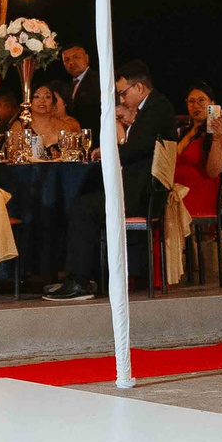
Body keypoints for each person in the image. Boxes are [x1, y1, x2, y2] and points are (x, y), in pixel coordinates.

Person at [48, 59, 177, 302]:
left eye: (123, 93)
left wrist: (107, 151)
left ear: (139, 88)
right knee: (85, 198)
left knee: (83, 208)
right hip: (137, 187)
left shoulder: (157, 109)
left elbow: (136, 150)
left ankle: (79, 280)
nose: (122, 100)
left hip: (143, 193)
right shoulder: (152, 108)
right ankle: (88, 275)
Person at [173, 86, 222, 221]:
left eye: (201, 100)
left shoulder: (214, 136)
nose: (196, 105)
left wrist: (217, 138)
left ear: (212, 104)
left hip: (198, 194)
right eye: (191, 101)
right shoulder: (183, 132)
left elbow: (213, 172)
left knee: (164, 212)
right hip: (177, 193)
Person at [21, 78, 81, 155]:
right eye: (37, 96)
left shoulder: (63, 127)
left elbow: (72, 156)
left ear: (53, 102)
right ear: (29, 101)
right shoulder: (21, 126)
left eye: (47, 97)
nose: (42, 100)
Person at [57, 44, 101, 133]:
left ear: (87, 58)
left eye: (76, 57)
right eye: (66, 60)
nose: (71, 62)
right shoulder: (66, 87)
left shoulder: (99, 81)